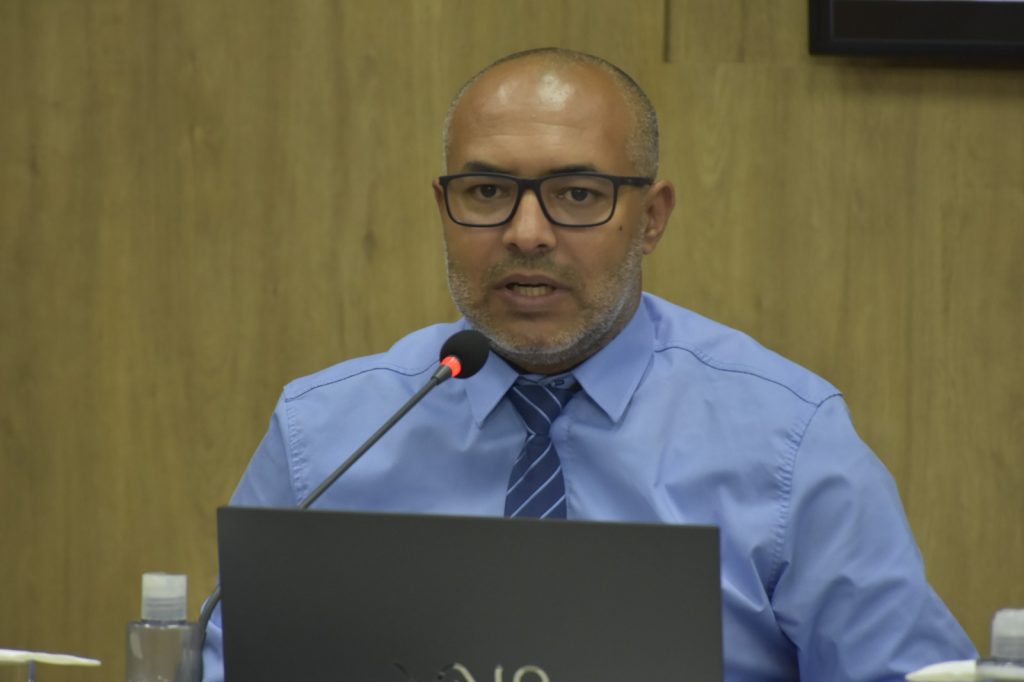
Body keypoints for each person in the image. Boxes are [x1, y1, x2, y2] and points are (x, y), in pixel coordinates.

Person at [201, 47, 976, 681]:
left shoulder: (789, 441)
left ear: (652, 219)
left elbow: (909, 674)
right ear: (443, 210)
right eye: (486, 191)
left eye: (576, 194)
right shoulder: (325, 437)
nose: (526, 232)